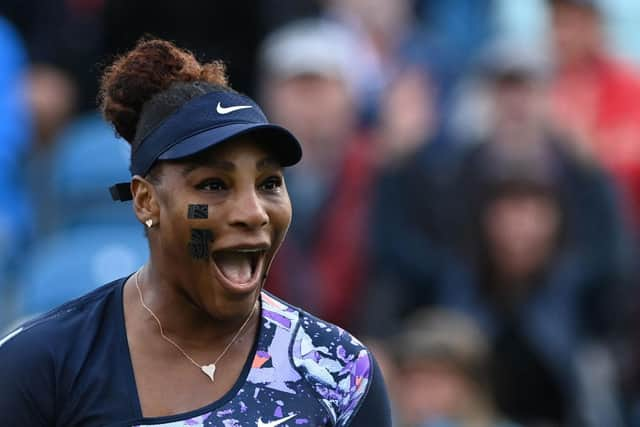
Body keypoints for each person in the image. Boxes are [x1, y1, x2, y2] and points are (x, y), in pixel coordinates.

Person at [0, 38, 391, 427]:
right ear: (146, 201)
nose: (253, 213)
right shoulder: (43, 363)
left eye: (269, 183)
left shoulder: (338, 372)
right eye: (214, 185)